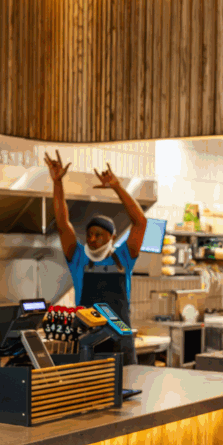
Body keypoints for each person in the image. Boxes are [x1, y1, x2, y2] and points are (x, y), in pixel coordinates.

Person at [46, 151, 147, 364]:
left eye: (99, 235)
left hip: (121, 343)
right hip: (87, 343)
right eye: (89, 234)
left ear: (112, 237)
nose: (92, 239)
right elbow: (63, 223)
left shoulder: (124, 257)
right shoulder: (78, 258)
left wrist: (117, 187)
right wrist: (57, 183)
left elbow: (140, 222)